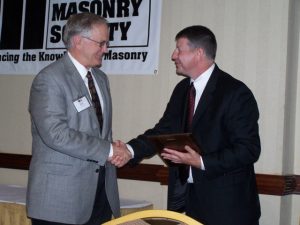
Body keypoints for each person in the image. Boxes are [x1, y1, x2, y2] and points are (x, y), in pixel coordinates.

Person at [112, 25, 261, 225]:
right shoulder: (182, 90)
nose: (173, 55)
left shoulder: (235, 93)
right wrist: (130, 150)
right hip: (188, 203)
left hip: (228, 208)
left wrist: (201, 161)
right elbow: (162, 131)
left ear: (198, 53)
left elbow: (249, 149)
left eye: (179, 49)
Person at [26, 12, 126, 225]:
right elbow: (56, 134)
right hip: (59, 202)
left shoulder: (100, 78)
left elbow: (100, 131)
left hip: (100, 196)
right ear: (79, 41)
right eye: (102, 43)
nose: (106, 49)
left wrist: (113, 150)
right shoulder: (49, 79)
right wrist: (108, 150)